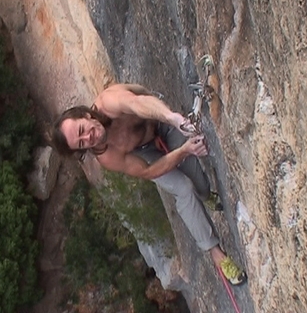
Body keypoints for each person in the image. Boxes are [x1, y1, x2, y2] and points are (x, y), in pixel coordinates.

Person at [50, 83, 245, 285]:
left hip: (160, 121)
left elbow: (137, 102)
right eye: (81, 143)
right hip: (144, 152)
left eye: (82, 129)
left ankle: (206, 195)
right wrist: (184, 151)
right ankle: (216, 253)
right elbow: (147, 171)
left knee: (200, 184)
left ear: (86, 115)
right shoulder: (107, 155)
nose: (88, 137)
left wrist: (173, 118)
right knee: (184, 188)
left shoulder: (108, 103)